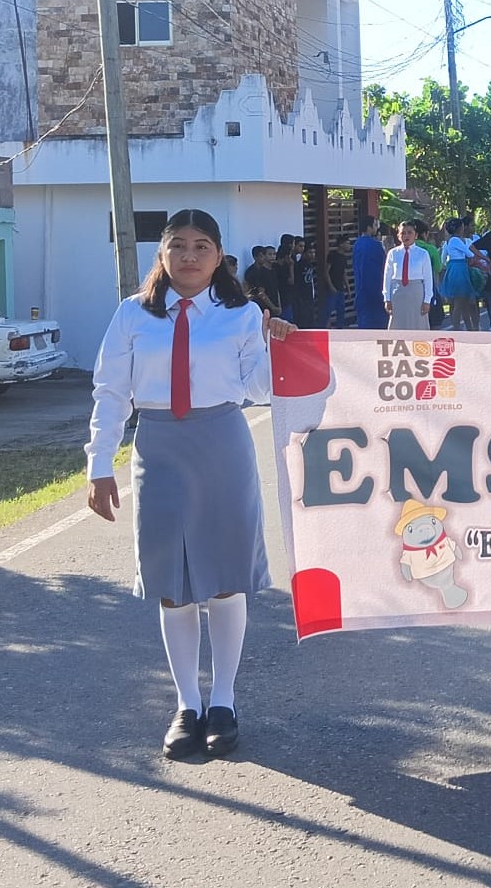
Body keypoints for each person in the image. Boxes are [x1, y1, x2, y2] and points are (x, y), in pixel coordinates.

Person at [85, 208, 295, 760]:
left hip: (222, 443)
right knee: (172, 584)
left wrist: (280, 347)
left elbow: (259, 392)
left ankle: (222, 701)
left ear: (219, 255)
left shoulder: (243, 314)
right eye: (178, 245)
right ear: (162, 254)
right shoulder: (133, 315)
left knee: (225, 578)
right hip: (158, 447)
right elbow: (110, 391)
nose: (189, 256)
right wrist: (99, 463)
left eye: (202, 246)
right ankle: (186, 704)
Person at [383, 221, 434, 330]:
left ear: (415, 235)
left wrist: (427, 300)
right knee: (398, 324)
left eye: (409, 233)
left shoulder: (423, 254)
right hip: (398, 292)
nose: (406, 236)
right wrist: (387, 298)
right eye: (403, 233)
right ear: (398, 236)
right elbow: (387, 277)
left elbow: (428, 279)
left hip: (416, 293)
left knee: (418, 323)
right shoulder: (393, 253)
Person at [439, 218, 483, 332]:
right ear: (460, 228)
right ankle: (457, 328)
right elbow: (469, 253)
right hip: (459, 269)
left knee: (462, 302)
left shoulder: (448, 241)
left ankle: (468, 328)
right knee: (459, 302)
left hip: (453, 268)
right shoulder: (456, 240)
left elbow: (443, 259)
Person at [352, 216, 388, 329]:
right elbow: (385, 265)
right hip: (376, 289)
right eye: (375, 225)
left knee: (364, 323)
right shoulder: (376, 245)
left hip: (361, 289)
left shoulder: (356, 244)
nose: (376, 228)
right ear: (369, 227)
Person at [291, 240, 328, 329]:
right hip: (301, 299)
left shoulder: (309, 264)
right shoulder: (299, 265)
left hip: (309, 298)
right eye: (310, 252)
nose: (313, 255)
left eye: (314, 252)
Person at [325, 233, 352, 328]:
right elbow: (326, 272)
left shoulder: (344, 258)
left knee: (341, 311)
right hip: (332, 289)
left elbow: (344, 273)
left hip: (340, 288)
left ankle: (340, 329)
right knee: (328, 310)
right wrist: (331, 286)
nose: (349, 245)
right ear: (341, 244)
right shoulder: (332, 255)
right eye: (347, 243)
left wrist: (348, 289)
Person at [243, 244, 279, 315]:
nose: (272, 257)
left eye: (274, 254)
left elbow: (276, 289)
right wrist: (272, 307)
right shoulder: (257, 272)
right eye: (270, 254)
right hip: (263, 306)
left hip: (274, 305)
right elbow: (260, 292)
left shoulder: (273, 270)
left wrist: (278, 306)